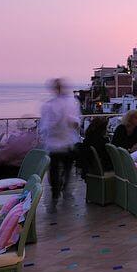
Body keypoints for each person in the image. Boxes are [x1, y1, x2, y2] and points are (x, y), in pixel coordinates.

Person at [39, 78, 82, 211]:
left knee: (66, 170)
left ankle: (61, 189)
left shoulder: (71, 103)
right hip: (54, 144)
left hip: (67, 143)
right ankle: (56, 193)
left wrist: (72, 123)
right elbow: (45, 125)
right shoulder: (49, 105)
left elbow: (75, 120)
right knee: (55, 171)